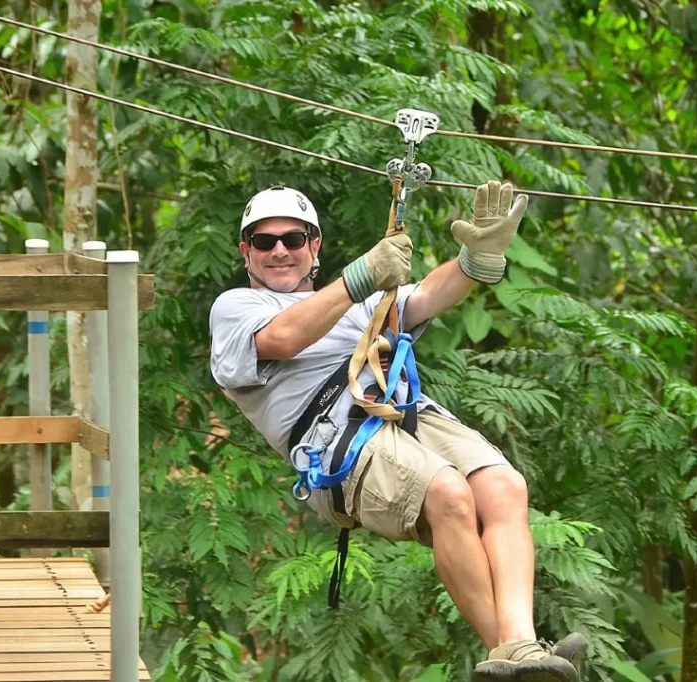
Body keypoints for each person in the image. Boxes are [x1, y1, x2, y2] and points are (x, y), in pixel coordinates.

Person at [208, 183, 587, 681]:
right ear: (246, 253)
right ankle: (508, 653)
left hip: (399, 412)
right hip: (334, 442)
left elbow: (429, 295)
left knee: (503, 486)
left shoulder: (362, 304)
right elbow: (281, 339)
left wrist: (476, 255)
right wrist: (359, 277)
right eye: (264, 241)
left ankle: (521, 645)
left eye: (294, 238)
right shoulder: (236, 308)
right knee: (448, 492)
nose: (280, 250)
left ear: (313, 246)